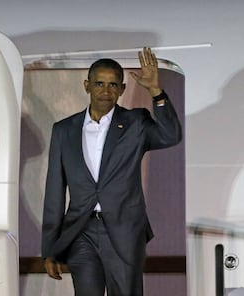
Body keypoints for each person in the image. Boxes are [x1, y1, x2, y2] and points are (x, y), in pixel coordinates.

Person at [41, 47, 182, 296]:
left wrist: (155, 91)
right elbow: (54, 191)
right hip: (80, 232)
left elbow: (171, 135)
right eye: (99, 84)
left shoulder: (136, 123)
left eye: (113, 85)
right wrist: (50, 248)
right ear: (87, 85)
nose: (106, 91)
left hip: (124, 232)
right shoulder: (63, 130)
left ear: (122, 89)